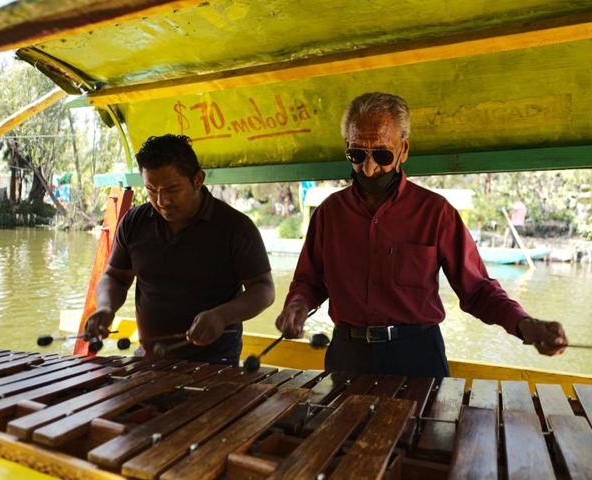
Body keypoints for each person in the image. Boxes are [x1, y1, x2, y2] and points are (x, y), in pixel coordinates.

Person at [275, 92, 567, 379]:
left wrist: (524, 324)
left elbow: (477, 290)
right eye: (357, 154)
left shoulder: (436, 213)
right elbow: (309, 281)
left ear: (404, 149)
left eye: (382, 154)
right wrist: (298, 304)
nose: (369, 167)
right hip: (348, 355)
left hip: (417, 357)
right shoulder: (329, 214)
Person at [86, 134, 275, 365]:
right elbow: (115, 277)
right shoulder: (134, 222)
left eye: (172, 189)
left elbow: (264, 290)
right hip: (150, 361)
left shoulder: (235, 227)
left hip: (215, 365)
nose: (162, 200)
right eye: (151, 190)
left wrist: (222, 315)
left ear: (197, 180)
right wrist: (105, 307)